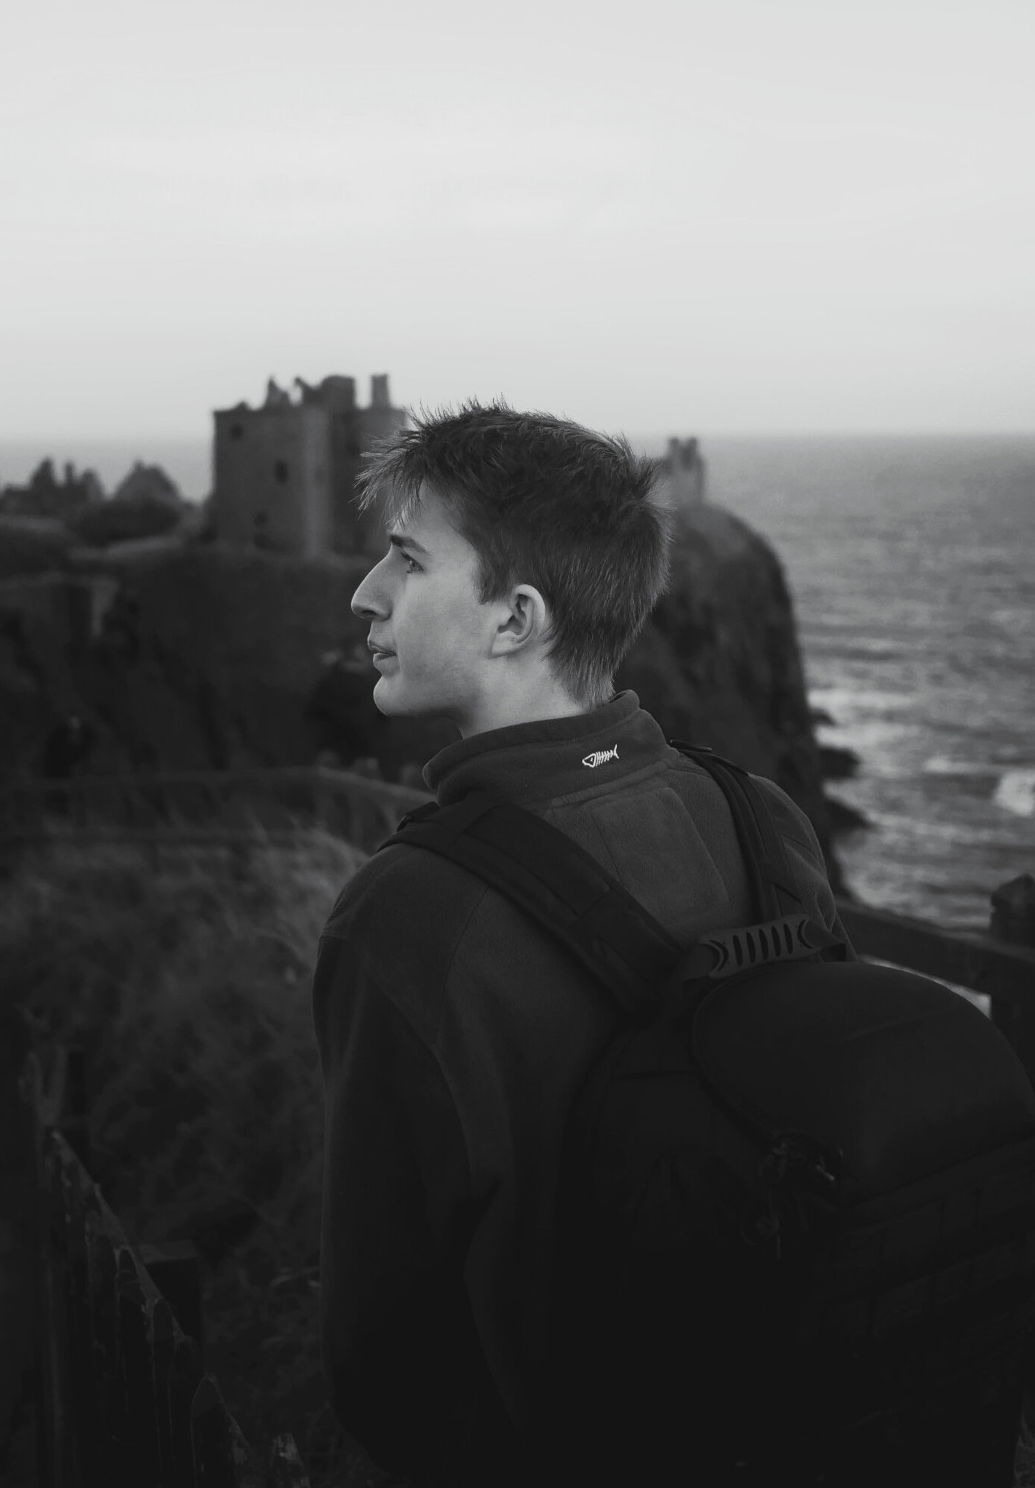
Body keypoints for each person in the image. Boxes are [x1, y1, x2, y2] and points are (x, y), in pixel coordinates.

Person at [312, 404, 851, 1487]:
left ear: (514, 620)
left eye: (407, 561)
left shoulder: (407, 919)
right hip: (785, 1431)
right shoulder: (763, 816)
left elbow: (381, 1353)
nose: (364, 592)